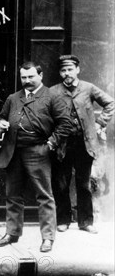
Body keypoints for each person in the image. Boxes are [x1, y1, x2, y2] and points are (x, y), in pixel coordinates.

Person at [0, 61, 72, 253]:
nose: (27, 81)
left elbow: (65, 124)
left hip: (38, 150)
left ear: (40, 76)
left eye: (31, 77)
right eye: (23, 77)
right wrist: (1, 123)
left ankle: (47, 238)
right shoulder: (13, 98)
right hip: (13, 151)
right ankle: (12, 233)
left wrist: (50, 145)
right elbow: (1, 117)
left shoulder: (52, 96)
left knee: (44, 196)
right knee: (13, 195)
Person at [50, 54, 114, 234]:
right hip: (63, 144)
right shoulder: (53, 91)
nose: (66, 73)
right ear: (60, 73)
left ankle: (85, 221)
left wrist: (100, 123)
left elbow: (110, 103)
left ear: (77, 70)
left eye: (70, 69)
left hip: (85, 144)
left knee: (84, 184)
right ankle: (63, 220)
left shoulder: (88, 88)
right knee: (61, 184)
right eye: (63, 70)